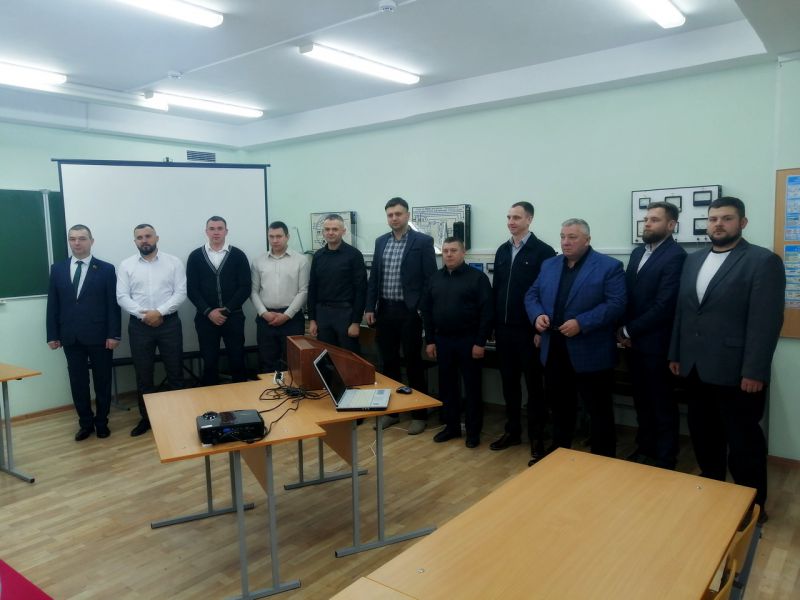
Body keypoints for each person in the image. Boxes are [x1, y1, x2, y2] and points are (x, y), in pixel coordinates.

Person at [669, 196, 784, 520]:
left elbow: (765, 322)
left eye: (727, 218)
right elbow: (684, 312)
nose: (718, 224)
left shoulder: (762, 261)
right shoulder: (693, 260)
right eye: (713, 218)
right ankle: (713, 489)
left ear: (742, 223)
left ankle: (752, 506)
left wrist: (755, 371)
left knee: (744, 442)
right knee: (704, 435)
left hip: (737, 372)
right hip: (695, 367)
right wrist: (676, 352)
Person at [525, 218, 626, 458]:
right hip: (554, 348)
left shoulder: (609, 266)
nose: (566, 242)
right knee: (560, 407)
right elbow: (532, 295)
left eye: (572, 237)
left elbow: (616, 304)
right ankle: (559, 454)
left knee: (598, 411)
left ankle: (603, 459)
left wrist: (582, 323)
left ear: (587, 240)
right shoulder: (550, 264)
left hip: (591, 351)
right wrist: (537, 315)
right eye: (562, 237)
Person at [617, 202, 686, 469]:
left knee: (661, 403)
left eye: (654, 220)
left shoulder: (676, 256)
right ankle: (644, 448)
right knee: (642, 402)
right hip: (632, 343)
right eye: (646, 219)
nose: (647, 224)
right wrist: (623, 330)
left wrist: (628, 329)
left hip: (656, 344)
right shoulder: (638, 253)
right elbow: (627, 295)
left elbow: (664, 305)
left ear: (671, 225)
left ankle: (666, 458)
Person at [489, 202, 556, 463]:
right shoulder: (502, 250)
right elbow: (497, 289)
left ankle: (537, 437)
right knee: (509, 384)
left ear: (529, 219)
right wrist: (494, 326)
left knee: (535, 387)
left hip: (530, 332)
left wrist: (541, 330)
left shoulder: (544, 251)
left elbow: (547, 293)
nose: (511, 222)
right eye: (508, 217)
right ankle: (513, 431)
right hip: (504, 331)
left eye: (516, 217)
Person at [366, 197, 437, 435]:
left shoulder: (422, 241)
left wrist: (420, 308)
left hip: (409, 312)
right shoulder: (381, 242)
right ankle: (392, 412)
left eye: (398, 214)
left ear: (407, 215)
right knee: (388, 363)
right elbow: (374, 278)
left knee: (413, 362)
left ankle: (419, 414)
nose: (394, 218)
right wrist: (369, 307)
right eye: (390, 215)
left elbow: (430, 279)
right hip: (385, 310)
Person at [46, 224, 121, 440]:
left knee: (102, 382)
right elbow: (53, 304)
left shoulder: (106, 269)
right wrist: (52, 334)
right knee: (78, 383)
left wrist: (114, 334)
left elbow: (112, 305)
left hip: (100, 337)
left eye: (82, 238)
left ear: (91, 241)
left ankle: (102, 422)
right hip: (70, 336)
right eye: (72, 239)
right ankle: (85, 423)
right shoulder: (58, 269)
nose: (77, 243)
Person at [421, 238, 493, 447]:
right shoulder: (435, 278)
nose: (449, 254)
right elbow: (427, 311)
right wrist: (430, 340)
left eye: (453, 250)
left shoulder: (477, 278)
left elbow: (487, 312)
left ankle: (473, 432)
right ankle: (451, 427)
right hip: (443, 340)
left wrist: (480, 342)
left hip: (469, 341)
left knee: (472, 388)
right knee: (447, 386)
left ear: (463, 253)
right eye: (445, 251)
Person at [117, 224, 187, 437]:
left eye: (148, 236)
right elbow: (122, 296)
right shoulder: (126, 265)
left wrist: (159, 312)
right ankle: (147, 419)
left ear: (156, 238)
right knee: (143, 374)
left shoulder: (173, 262)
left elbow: (180, 293)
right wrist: (145, 315)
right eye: (139, 237)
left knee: (175, 372)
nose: (144, 240)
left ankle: (178, 417)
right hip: (139, 326)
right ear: (135, 241)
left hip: (169, 324)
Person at [186, 216, 251, 385]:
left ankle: (241, 397)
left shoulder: (238, 255)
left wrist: (226, 310)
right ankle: (211, 398)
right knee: (209, 362)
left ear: (226, 231)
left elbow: (245, 287)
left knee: (237, 360)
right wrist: (209, 312)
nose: (216, 232)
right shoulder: (195, 256)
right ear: (206, 231)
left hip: (234, 316)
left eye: (220, 228)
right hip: (205, 318)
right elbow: (191, 289)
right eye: (212, 228)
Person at [250, 221, 309, 374]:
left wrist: (287, 315)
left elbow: (304, 291)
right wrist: (264, 313)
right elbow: (253, 291)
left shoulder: (301, 260)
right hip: (266, 319)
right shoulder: (258, 261)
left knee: (294, 364)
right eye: (271, 236)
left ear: (287, 237)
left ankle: (291, 390)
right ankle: (271, 388)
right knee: (267, 363)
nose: (275, 240)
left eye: (279, 236)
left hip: (292, 319)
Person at [308, 214, 367, 354]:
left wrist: (356, 322)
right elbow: (312, 288)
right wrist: (312, 319)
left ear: (343, 231)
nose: (330, 232)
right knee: (326, 356)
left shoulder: (354, 255)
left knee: (349, 357)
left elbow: (361, 290)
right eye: (327, 229)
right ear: (323, 232)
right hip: (323, 314)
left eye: (335, 229)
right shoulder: (318, 256)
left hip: (345, 314)